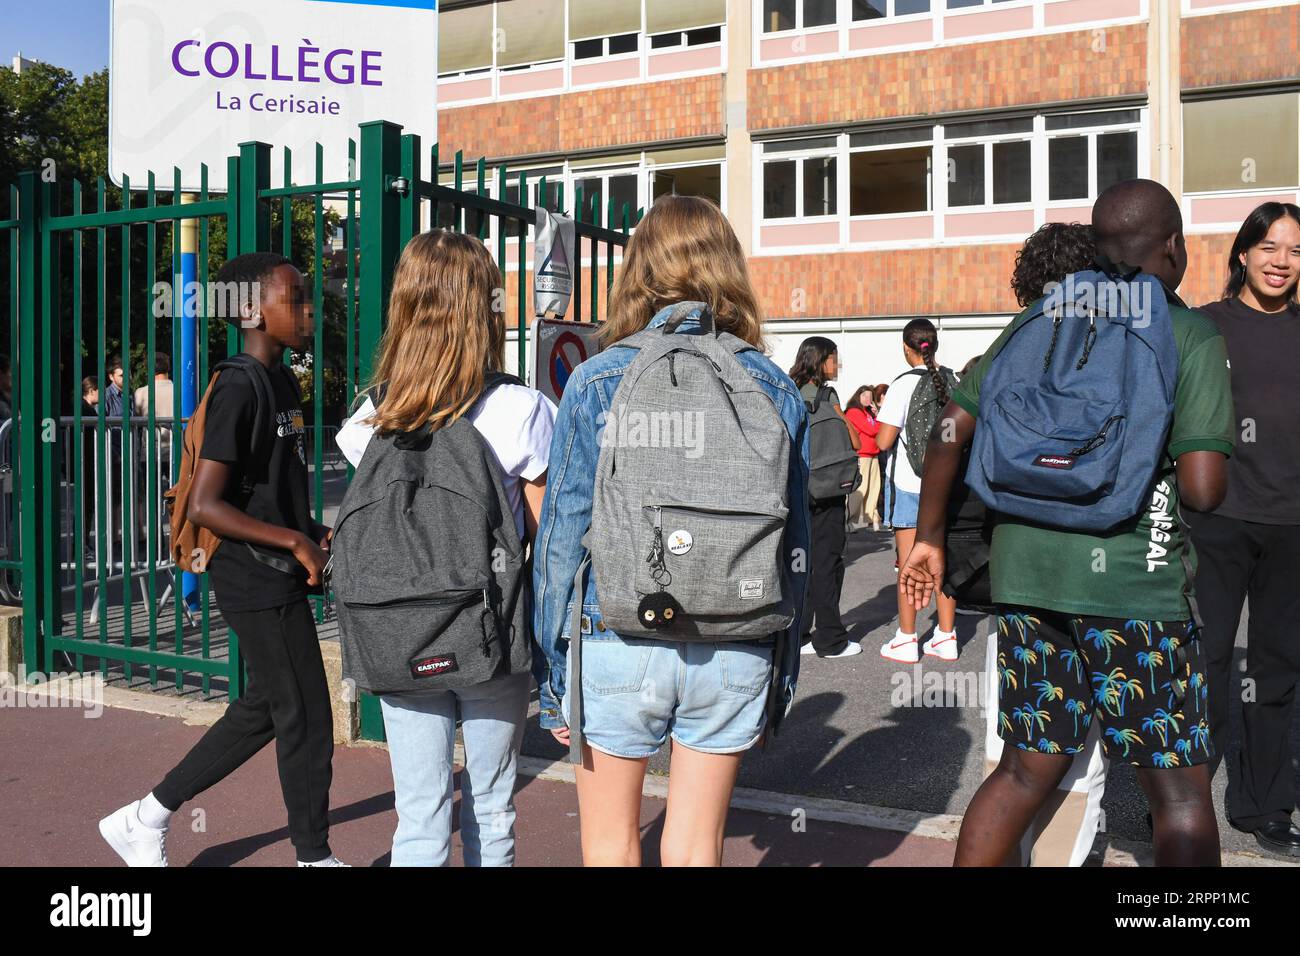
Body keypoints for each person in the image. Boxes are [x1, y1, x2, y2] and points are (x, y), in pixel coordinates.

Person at [902, 179, 1234, 867]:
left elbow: (949, 429)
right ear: (1173, 245)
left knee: (1025, 768)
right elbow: (1202, 489)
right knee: (1178, 794)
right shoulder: (1187, 330)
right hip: (1134, 590)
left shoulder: (1043, 315)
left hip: (1027, 579)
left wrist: (930, 536)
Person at [532, 195, 811, 866]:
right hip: (737, 634)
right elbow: (796, 544)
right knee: (694, 852)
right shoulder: (772, 385)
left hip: (615, 630)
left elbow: (562, 537)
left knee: (610, 847)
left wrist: (551, 671)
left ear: (636, 272)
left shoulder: (597, 379)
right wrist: (783, 671)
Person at [99, 253, 345, 867]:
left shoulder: (285, 381)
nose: (308, 308)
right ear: (250, 311)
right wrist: (292, 542)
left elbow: (268, 488)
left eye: (308, 295)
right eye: (295, 297)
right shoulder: (238, 385)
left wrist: (311, 528)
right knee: (306, 713)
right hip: (250, 572)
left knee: (268, 703)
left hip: (276, 565)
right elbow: (206, 504)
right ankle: (313, 857)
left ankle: (145, 815)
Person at [335, 230, 554, 867]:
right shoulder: (519, 410)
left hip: (396, 632)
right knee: (490, 806)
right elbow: (550, 539)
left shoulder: (367, 420)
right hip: (489, 634)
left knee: (420, 815)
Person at [977, 221, 1109, 866]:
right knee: (1079, 765)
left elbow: (948, 439)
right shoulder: (1119, 351)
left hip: (1018, 577)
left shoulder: (1000, 355)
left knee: (1014, 754)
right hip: (1107, 576)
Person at [1189, 201, 1300, 856]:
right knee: (1205, 665)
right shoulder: (1206, 327)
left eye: (1294, 251)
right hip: (1219, 521)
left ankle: (1264, 803)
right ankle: (1185, 805)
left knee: (1279, 667)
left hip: (1293, 525)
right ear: (1242, 253)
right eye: (1269, 247)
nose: (1282, 261)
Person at [877, 320, 959, 663]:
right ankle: (946, 636)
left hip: (910, 485)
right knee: (943, 561)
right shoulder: (955, 381)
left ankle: (907, 638)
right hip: (949, 486)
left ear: (906, 347)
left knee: (909, 564)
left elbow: (883, 441)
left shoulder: (902, 386)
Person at [789, 337, 862, 659]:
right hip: (829, 489)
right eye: (834, 358)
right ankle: (831, 640)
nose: (839, 364)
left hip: (797, 490)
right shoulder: (827, 396)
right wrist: (838, 413)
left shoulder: (789, 390)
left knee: (799, 564)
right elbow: (855, 442)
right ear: (821, 360)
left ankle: (800, 634)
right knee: (828, 563)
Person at [844, 385, 883, 532]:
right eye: (864, 396)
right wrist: (878, 417)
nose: (868, 399)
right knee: (861, 488)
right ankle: (848, 518)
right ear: (857, 397)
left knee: (874, 488)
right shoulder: (854, 412)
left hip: (873, 454)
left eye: (870, 396)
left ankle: (870, 518)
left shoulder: (867, 413)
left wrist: (876, 414)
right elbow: (873, 429)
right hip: (863, 455)